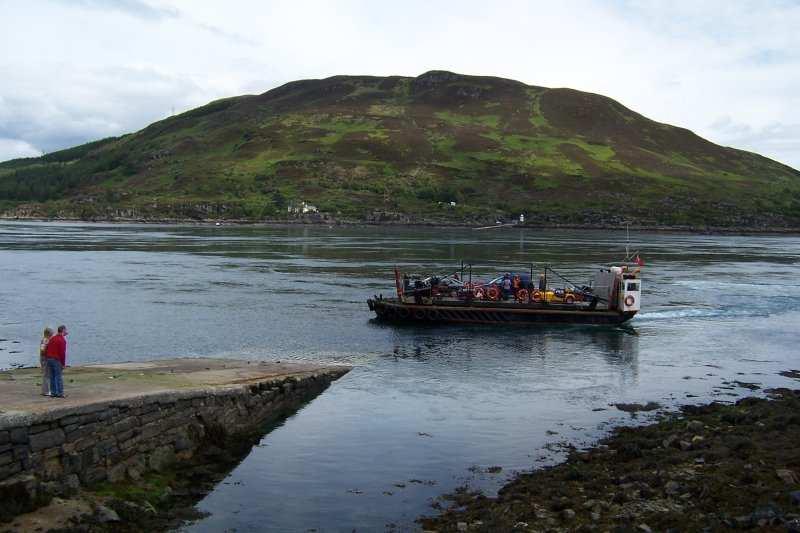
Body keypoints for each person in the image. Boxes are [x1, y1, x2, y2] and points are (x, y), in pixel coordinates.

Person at [44, 324, 68, 398]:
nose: (67, 331)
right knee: (58, 376)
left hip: (49, 359)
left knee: (52, 376)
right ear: (63, 330)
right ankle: (60, 393)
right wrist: (63, 364)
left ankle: (53, 392)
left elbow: (46, 348)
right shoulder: (62, 340)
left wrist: (46, 357)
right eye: (66, 330)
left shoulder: (53, 338)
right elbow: (62, 353)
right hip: (56, 359)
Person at [39, 327, 53, 396]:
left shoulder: (46, 340)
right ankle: (46, 391)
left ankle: (45, 390)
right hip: (45, 359)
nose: (52, 334)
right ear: (49, 333)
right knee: (46, 375)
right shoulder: (45, 340)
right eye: (52, 333)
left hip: (45, 358)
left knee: (46, 375)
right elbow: (42, 350)